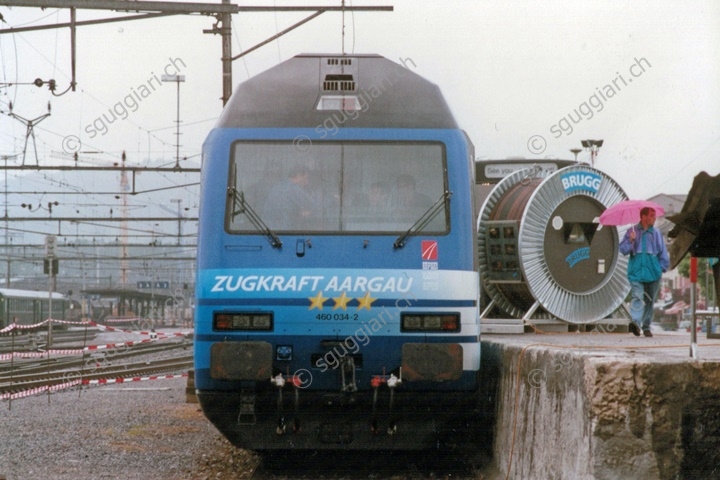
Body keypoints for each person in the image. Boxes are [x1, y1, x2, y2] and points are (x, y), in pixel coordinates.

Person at [619, 207, 670, 337]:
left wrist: (661, 269)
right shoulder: (632, 231)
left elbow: (663, 253)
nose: (654, 218)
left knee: (649, 301)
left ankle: (646, 326)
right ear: (643, 216)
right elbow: (623, 250)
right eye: (652, 215)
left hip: (653, 273)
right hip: (636, 273)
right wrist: (630, 240)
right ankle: (635, 323)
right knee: (637, 296)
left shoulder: (657, 233)